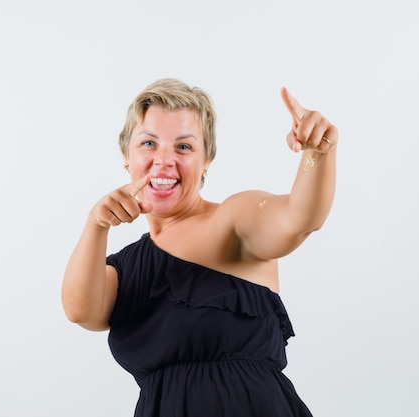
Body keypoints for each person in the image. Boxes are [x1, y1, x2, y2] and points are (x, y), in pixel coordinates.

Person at [61, 78, 338, 417]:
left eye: (184, 147)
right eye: (148, 143)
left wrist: (318, 153)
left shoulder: (233, 220)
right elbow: (80, 311)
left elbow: (299, 217)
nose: (163, 160)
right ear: (126, 156)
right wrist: (96, 224)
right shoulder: (125, 268)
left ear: (206, 159)